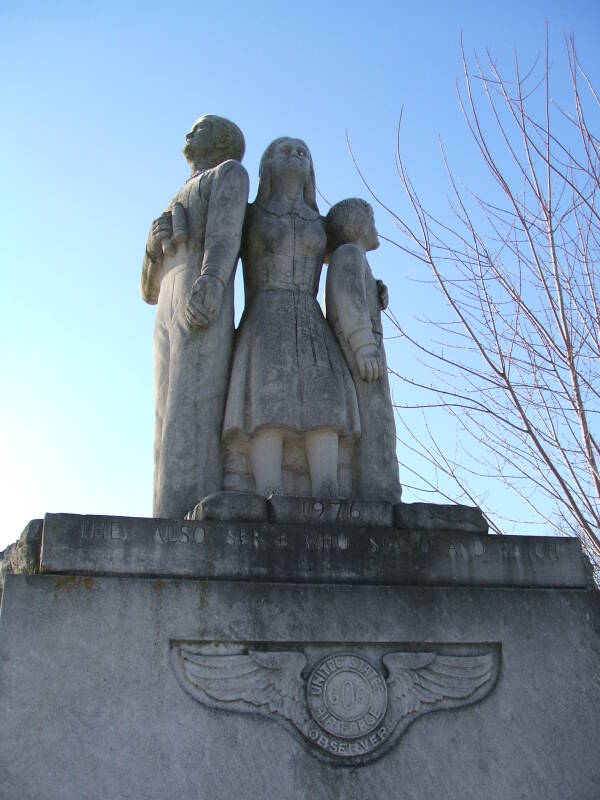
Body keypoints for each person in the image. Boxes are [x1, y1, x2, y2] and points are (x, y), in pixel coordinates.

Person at [222, 138, 360, 498]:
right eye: (284, 150)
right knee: (268, 403)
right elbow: (215, 240)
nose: (295, 155)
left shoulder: (319, 221)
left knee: (325, 400)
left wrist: (371, 288)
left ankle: (328, 488)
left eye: (302, 152)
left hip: (311, 318)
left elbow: (349, 255)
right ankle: (268, 487)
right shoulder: (251, 215)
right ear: (267, 164)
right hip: (266, 317)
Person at [141, 115, 249, 518]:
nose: (189, 133)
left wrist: (214, 280)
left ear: (223, 140)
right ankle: (166, 515)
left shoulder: (229, 174)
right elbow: (147, 291)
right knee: (164, 413)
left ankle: (189, 509)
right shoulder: (175, 197)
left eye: (201, 128)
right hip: (167, 299)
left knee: (194, 401)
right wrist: (153, 248)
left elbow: (226, 236)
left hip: (198, 291)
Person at [324, 198, 402, 503]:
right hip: (362, 352)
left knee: (380, 423)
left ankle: (382, 490)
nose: (374, 227)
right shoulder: (349, 255)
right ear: (357, 224)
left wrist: (375, 288)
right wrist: (365, 347)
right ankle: (378, 492)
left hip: (366, 346)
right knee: (375, 424)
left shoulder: (355, 258)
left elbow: (358, 294)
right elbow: (349, 300)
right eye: (370, 220)